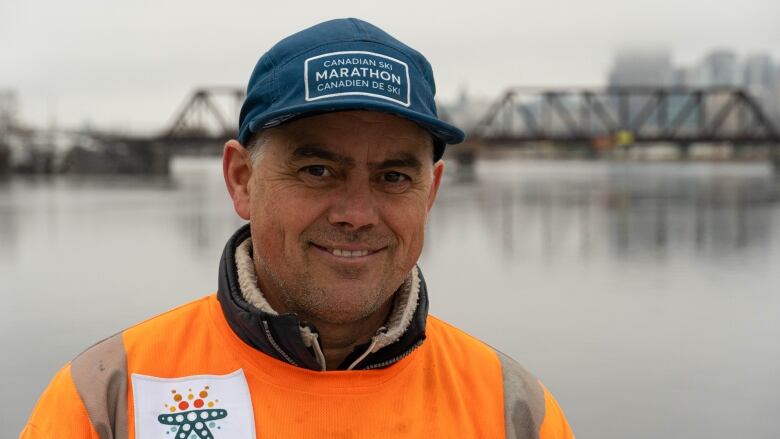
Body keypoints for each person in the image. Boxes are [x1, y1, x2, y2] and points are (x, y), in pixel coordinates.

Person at [21, 18, 574, 439]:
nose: (356, 213)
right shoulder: (105, 401)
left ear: (429, 193)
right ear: (241, 180)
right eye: (317, 170)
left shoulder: (514, 410)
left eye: (393, 176)